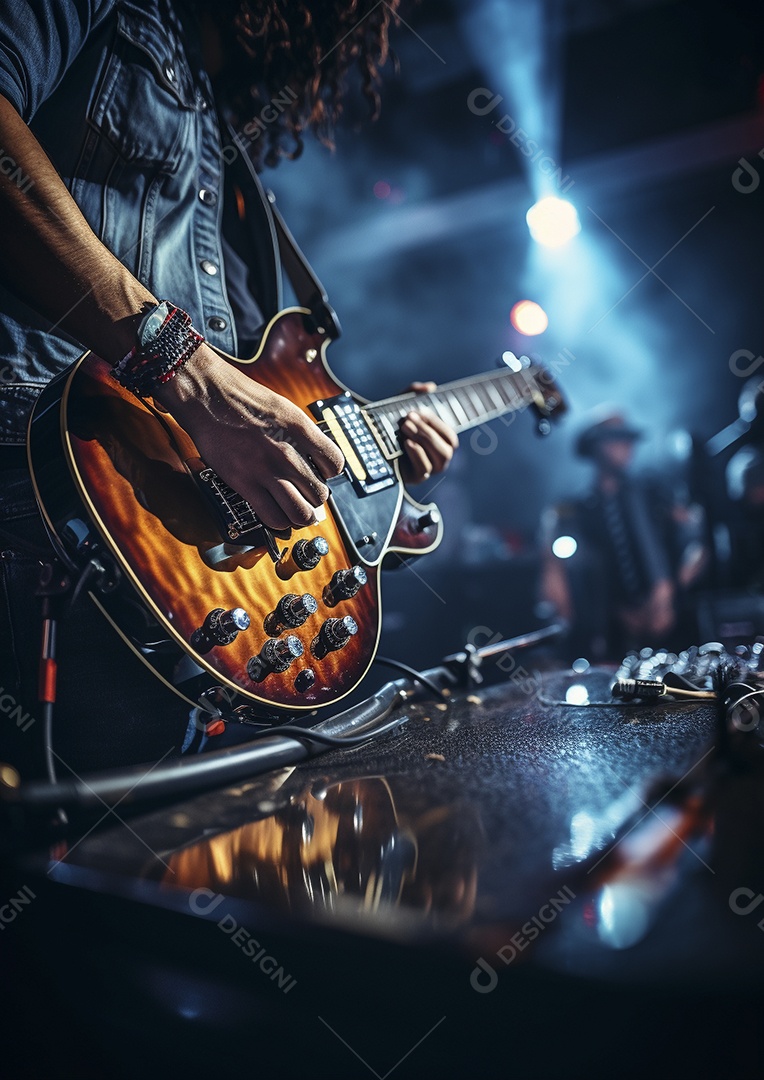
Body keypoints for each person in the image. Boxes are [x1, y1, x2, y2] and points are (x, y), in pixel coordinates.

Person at [0, 0, 458, 778]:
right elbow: (216, 392)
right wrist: (187, 373)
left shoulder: (221, 142)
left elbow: (257, 394)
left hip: (194, 578)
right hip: (47, 483)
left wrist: (363, 475)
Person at [539, 410, 707, 659]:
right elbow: (559, 567)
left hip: (673, 620)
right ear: (595, 446)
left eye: (628, 439)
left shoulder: (655, 492)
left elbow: (698, 544)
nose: (626, 446)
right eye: (615, 439)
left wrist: (669, 592)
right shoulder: (578, 509)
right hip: (611, 631)